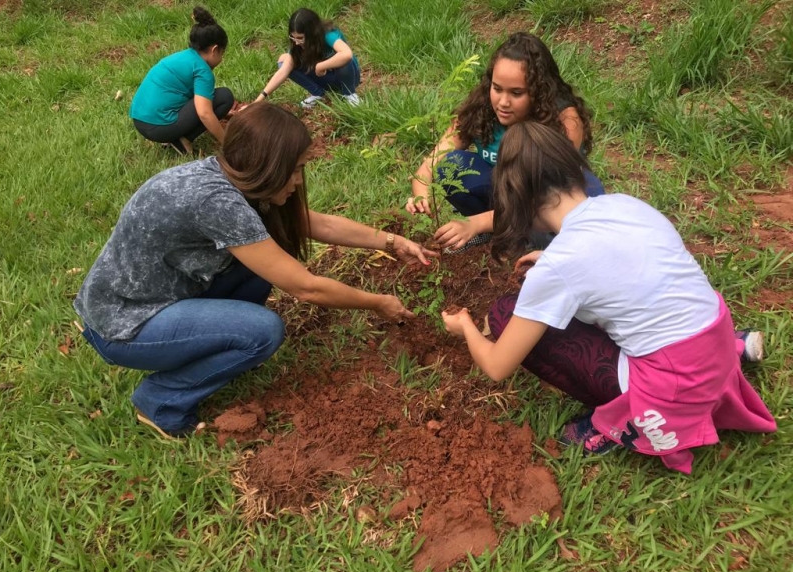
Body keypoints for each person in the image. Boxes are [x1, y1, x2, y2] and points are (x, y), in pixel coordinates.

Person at [75, 103, 436, 439]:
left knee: (270, 257)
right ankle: (161, 400)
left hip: (142, 296)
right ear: (268, 167)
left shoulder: (229, 177)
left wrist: (390, 241)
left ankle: (221, 345)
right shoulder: (216, 203)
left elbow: (315, 224)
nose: (297, 182)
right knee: (262, 332)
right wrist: (378, 302)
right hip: (125, 324)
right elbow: (307, 288)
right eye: (294, 170)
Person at [441, 122, 776, 474]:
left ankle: (618, 422)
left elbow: (497, 367)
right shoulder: (625, 204)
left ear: (519, 199)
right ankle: (735, 350)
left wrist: (464, 326)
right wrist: (550, 265)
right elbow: (628, 269)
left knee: (506, 313)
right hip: (714, 341)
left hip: (673, 385)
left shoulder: (560, 264)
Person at [406, 32, 605, 253]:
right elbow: (430, 164)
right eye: (497, 88)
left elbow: (543, 198)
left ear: (539, 91)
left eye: (516, 93)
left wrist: (476, 223)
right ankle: (498, 233)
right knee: (452, 165)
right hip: (503, 196)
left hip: (545, 204)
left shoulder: (565, 120)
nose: (503, 102)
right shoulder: (481, 108)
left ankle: (554, 246)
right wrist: (421, 195)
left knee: (589, 188)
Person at [129, 6, 234, 155]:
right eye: (222, 53)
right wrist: (227, 142)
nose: (221, 59)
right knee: (224, 97)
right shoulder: (203, 71)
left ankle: (174, 137)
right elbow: (204, 113)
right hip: (159, 127)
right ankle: (183, 140)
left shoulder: (184, 57)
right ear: (214, 50)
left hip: (140, 119)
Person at [253, 7, 361, 109]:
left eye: (300, 38)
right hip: (325, 78)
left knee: (344, 60)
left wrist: (321, 66)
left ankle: (349, 94)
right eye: (293, 37)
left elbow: (347, 54)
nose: (296, 42)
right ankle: (318, 94)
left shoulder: (327, 34)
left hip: (347, 77)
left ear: (312, 32)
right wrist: (259, 100)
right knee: (284, 59)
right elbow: (283, 71)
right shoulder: (298, 45)